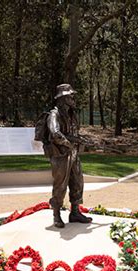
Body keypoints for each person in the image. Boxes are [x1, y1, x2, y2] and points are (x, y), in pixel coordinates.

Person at [42, 84, 92, 228]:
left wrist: (79, 140)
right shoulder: (54, 114)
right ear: (63, 98)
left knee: (77, 181)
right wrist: (69, 143)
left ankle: (75, 212)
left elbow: (71, 132)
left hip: (73, 153)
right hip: (60, 154)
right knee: (60, 184)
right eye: (70, 96)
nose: (72, 98)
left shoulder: (71, 114)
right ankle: (56, 215)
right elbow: (55, 133)